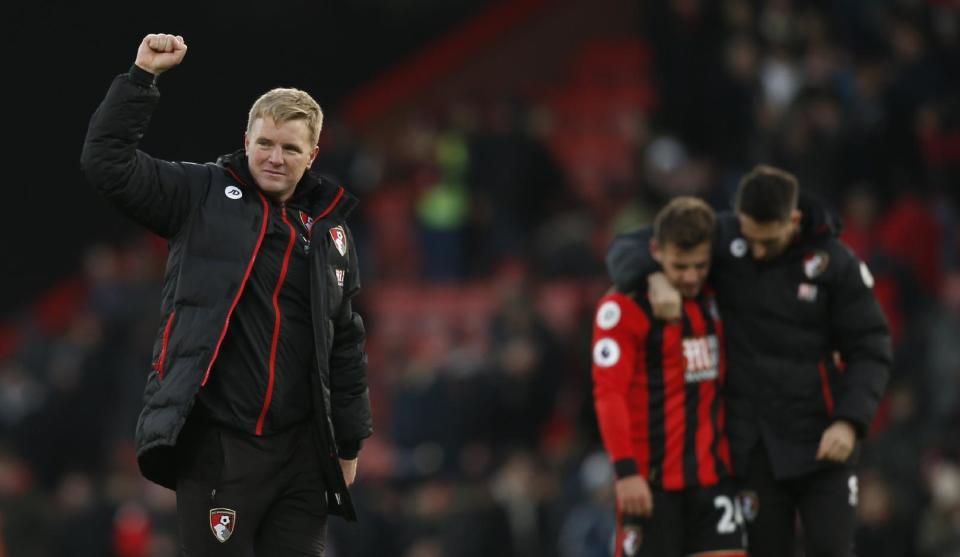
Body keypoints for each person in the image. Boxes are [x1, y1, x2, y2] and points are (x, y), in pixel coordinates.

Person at [80, 34, 372, 555]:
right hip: (220, 445)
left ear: (313, 155)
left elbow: (344, 345)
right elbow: (107, 162)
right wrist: (141, 78)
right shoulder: (202, 194)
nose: (275, 158)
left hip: (302, 455)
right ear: (246, 138)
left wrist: (347, 445)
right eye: (265, 143)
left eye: (290, 148)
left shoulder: (332, 233)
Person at [606, 166, 892, 556]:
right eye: (749, 238)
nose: (755, 250)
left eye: (768, 242)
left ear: (792, 220)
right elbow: (629, 247)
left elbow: (871, 346)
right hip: (755, 449)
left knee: (831, 549)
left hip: (823, 441)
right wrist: (651, 276)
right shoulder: (727, 237)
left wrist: (850, 420)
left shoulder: (835, 264)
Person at [591, 197, 746, 557]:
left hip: (713, 483)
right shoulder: (623, 307)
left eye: (699, 266)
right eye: (680, 267)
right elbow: (608, 394)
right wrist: (626, 472)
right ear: (656, 252)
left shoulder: (716, 293)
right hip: (650, 485)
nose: (691, 277)